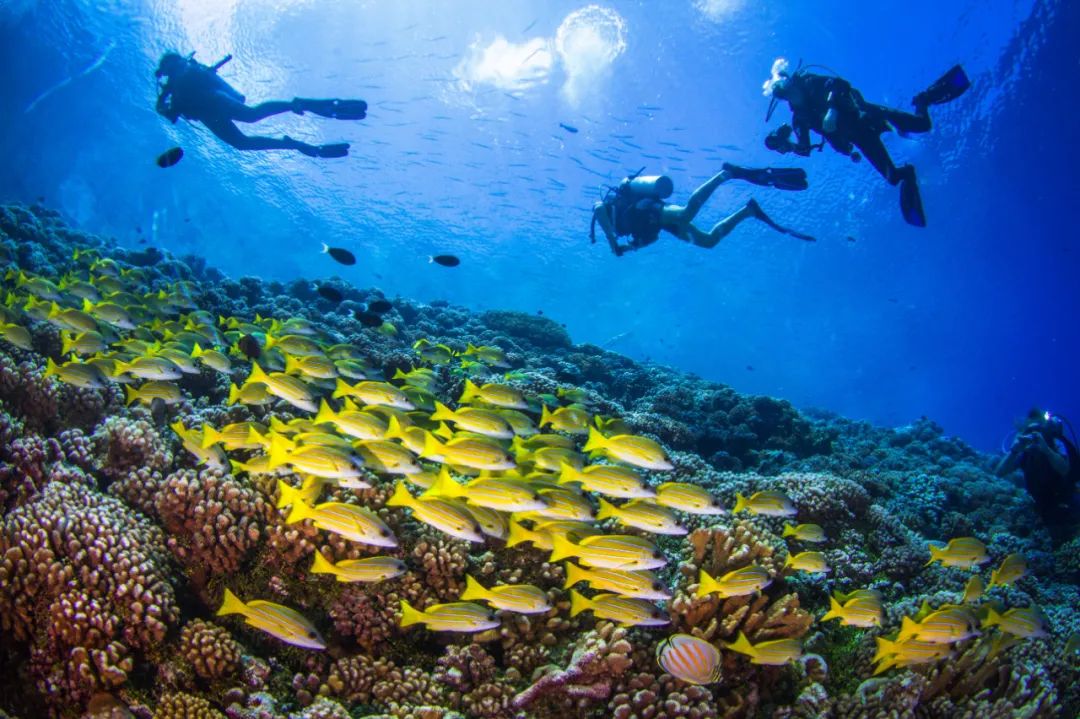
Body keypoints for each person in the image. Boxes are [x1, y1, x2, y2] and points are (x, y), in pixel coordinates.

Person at [763, 61, 970, 227]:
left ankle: (922, 100)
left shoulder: (810, 82)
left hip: (866, 115)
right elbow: (805, 149)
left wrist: (833, 109)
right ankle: (908, 174)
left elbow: (839, 84)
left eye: (789, 90)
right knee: (893, 177)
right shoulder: (799, 118)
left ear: (793, 82)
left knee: (922, 124)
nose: (790, 96)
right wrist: (788, 146)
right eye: (784, 96)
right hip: (859, 138)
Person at [154, 52, 368, 158]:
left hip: (213, 102)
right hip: (211, 111)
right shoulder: (178, 81)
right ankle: (292, 137)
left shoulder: (180, 77)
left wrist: (163, 97)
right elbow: (171, 115)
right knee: (243, 138)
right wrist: (164, 98)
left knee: (250, 117)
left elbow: (170, 113)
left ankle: (296, 109)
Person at [590, 164, 814, 257]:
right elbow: (649, 239)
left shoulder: (607, 210)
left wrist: (613, 244)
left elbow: (598, 209)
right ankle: (748, 211)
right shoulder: (623, 231)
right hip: (656, 223)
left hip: (647, 208)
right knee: (708, 242)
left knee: (686, 214)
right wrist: (628, 248)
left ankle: (725, 174)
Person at [996, 409, 1080, 544]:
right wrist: (1014, 450)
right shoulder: (1025, 452)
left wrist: (1046, 449)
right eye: (1029, 432)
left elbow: (1065, 470)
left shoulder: (1055, 444)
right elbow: (999, 472)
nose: (1033, 436)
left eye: (1037, 432)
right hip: (1039, 503)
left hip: (1066, 499)